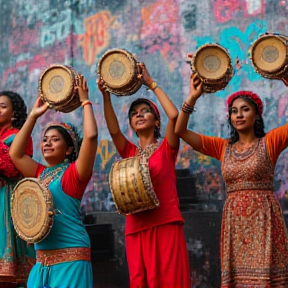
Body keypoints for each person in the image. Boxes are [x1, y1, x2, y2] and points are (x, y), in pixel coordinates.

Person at [175, 73, 288, 287]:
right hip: (235, 222)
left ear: (257, 115)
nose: (239, 115)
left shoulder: (270, 142)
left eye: (245, 109)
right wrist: (192, 97)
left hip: (265, 220)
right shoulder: (222, 147)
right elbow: (179, 131)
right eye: (234, 111)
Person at [98, 63, 191, 288]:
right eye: (133, 114)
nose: (138, 115)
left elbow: (174, 115)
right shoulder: (130, 152)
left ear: (156, 121)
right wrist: (106, 97)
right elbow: (112, 131)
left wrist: (151, 84)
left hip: (166, 224)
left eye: (145, 111)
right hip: (136, 228)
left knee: (170, 282)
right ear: (131, 124)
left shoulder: (167, 148)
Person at [9, 75, 98, 288]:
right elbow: (15, 154)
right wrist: (33, 115)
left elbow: (92, 137)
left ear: (68, 149)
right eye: (45, 140)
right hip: (42, 260)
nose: (48, 143)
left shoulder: (74, 174)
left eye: (55, 139)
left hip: (71, 257)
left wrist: (85, 101)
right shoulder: (40, 173)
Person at [0, 91, 35, 288]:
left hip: (9, 200)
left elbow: (13, 168)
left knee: (15, 276)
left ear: (14, 114)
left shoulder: (17, 137)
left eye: (3, 106)